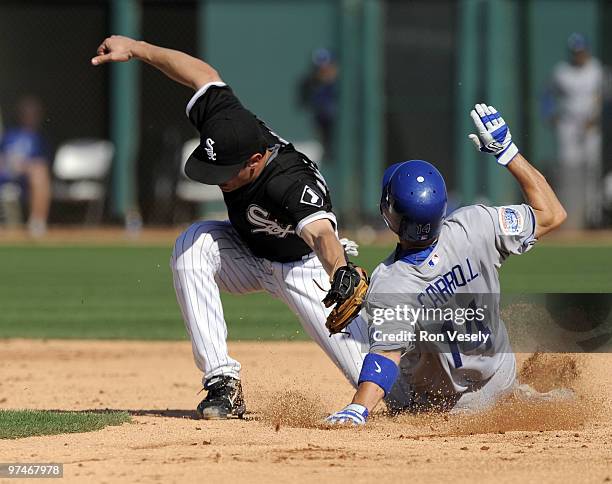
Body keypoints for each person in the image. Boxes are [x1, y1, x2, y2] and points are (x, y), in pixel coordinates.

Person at [91, 36, 369, 419]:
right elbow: (201, 74)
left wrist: (339, 272)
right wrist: (136, 48)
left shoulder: (289, 179)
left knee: (381, 385)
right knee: (192, 246)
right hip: (245, 252)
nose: (218, 180)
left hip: (304, 268)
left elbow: (321, 233)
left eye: (226, 173)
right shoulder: (227, 119)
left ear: (256, 160)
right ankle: (223, 384)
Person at [326, 103, 567, 425]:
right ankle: (518, 397)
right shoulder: (476, 225)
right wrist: (507, 152)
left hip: (446, 408)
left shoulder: (392, 283)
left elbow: (385, 358)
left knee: (374, 330)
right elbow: (553, 214)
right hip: (499, 381)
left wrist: (358, 407)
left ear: (389, 215)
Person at [545, 33, 604, 229]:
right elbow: (547, 93)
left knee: (592, 171)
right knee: (568, 171)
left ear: (586, 50)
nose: (578, 54)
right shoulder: (562, 72)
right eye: (575, 51)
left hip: (589, 126)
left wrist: (595, 118)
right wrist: (550, 113)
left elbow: (600, 97)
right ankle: (568, 218)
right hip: (569, 125)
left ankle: (593, 217)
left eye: (581, 51)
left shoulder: (595, 69)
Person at [0, 96, 51, 236]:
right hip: (5, 174)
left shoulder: (40, 139)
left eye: (34, 113)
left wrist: (23, 166)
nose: (29, 116)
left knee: (39, 173)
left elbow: (42, 164)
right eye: (26, 113)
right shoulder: (9, 135)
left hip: (26, 178)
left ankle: (37, 223)